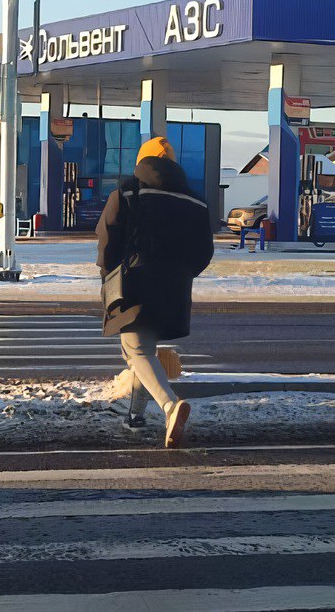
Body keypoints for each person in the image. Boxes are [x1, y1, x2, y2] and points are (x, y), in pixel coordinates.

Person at [96, 136, 214, 447]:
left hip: (135, 282)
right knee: (140, 351)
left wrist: (108, 274)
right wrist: (183, 273)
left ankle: (169, 406)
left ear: (142, 162)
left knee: (137, 350)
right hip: (175, 287)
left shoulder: (128, 191)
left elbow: (108, 236)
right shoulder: (196, 201)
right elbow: (204, 251)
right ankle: (135, 417)